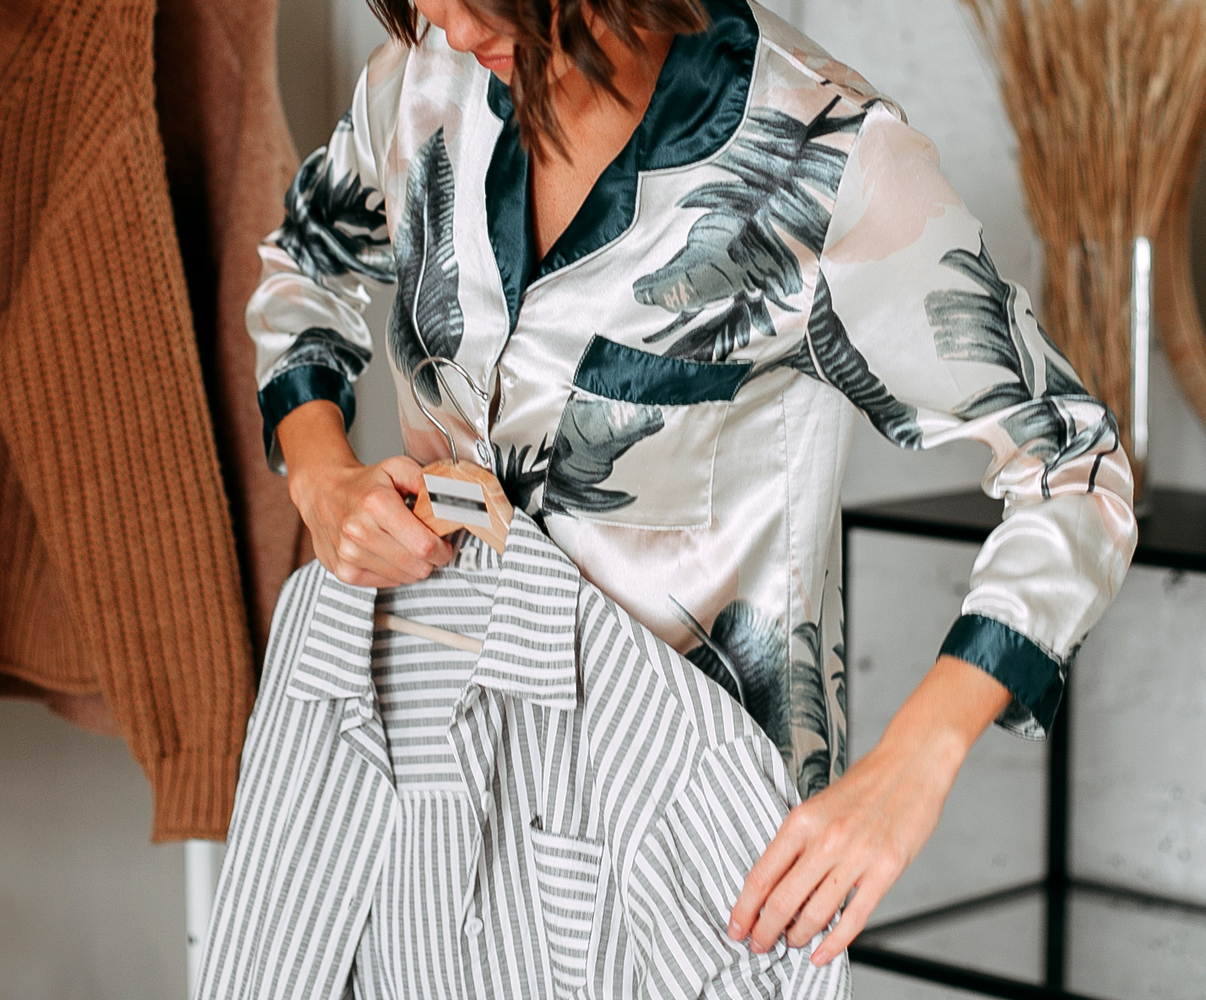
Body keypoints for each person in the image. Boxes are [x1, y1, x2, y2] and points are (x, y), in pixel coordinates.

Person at [247, 0, 1137, 969]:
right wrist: (324, 476)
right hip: (436, 786)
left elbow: (1073, 467)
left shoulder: (822, 157)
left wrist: (912, 766)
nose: (450, 28)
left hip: (686, 851)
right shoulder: (419, 86)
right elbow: (306, 262)